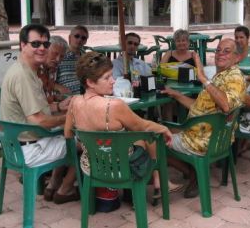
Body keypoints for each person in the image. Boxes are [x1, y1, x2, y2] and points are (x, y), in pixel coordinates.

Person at [63, 52, 182, 198]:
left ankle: (155, 184)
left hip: (91, 167)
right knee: (150, 135)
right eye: (107, 78)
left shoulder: (74, 102)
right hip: (119, 168)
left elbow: (68, 134)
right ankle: (160, 182)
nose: (113, 81)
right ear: (90, 82)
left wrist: (93, 147)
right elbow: (142, 126)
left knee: (134, 138)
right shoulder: (114, 105)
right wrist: (164, 128)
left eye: (112, 75)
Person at [0, 24, 78, 204]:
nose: (41, 48)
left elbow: (34, 110)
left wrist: (59, 108)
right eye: (35, 44)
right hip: (28, 150)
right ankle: (65, 189)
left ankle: (53, 184)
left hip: (21, 145)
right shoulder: (23, 75)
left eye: (45, 44)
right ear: (22, 45)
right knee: (90, 142)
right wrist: (71, 117)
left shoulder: (27, 70)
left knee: (68, 135)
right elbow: (38, 121)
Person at [162, 38, 246, 198]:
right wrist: (176, 94)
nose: (220, 54)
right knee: (162, 127)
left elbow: (226, 105)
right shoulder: (222, 76)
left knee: (153, 138)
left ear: (237, 58)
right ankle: (195, 173)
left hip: (203, 141)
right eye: (218, 50)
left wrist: (203, 79)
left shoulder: (234, 77)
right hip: (208, 135)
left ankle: (192, 174)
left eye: (226, 51)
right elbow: (199, 106)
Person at [37, 35, 71, 104]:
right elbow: (37, 105)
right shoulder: (35, 70)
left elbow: (47, 96)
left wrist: (56, 97)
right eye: (54, 54)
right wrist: (59, 107)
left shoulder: (51, 69)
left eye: (62, 56)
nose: (58, 59)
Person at [56, 25, 89, 94]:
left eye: (83, 38)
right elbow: (48, 80)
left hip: (85, 95)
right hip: (66, 96)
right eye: (77, 36)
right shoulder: (60, 56)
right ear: (70, 38)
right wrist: (58, 87)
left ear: (85, 41)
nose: (80, 39)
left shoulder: (86, 58)